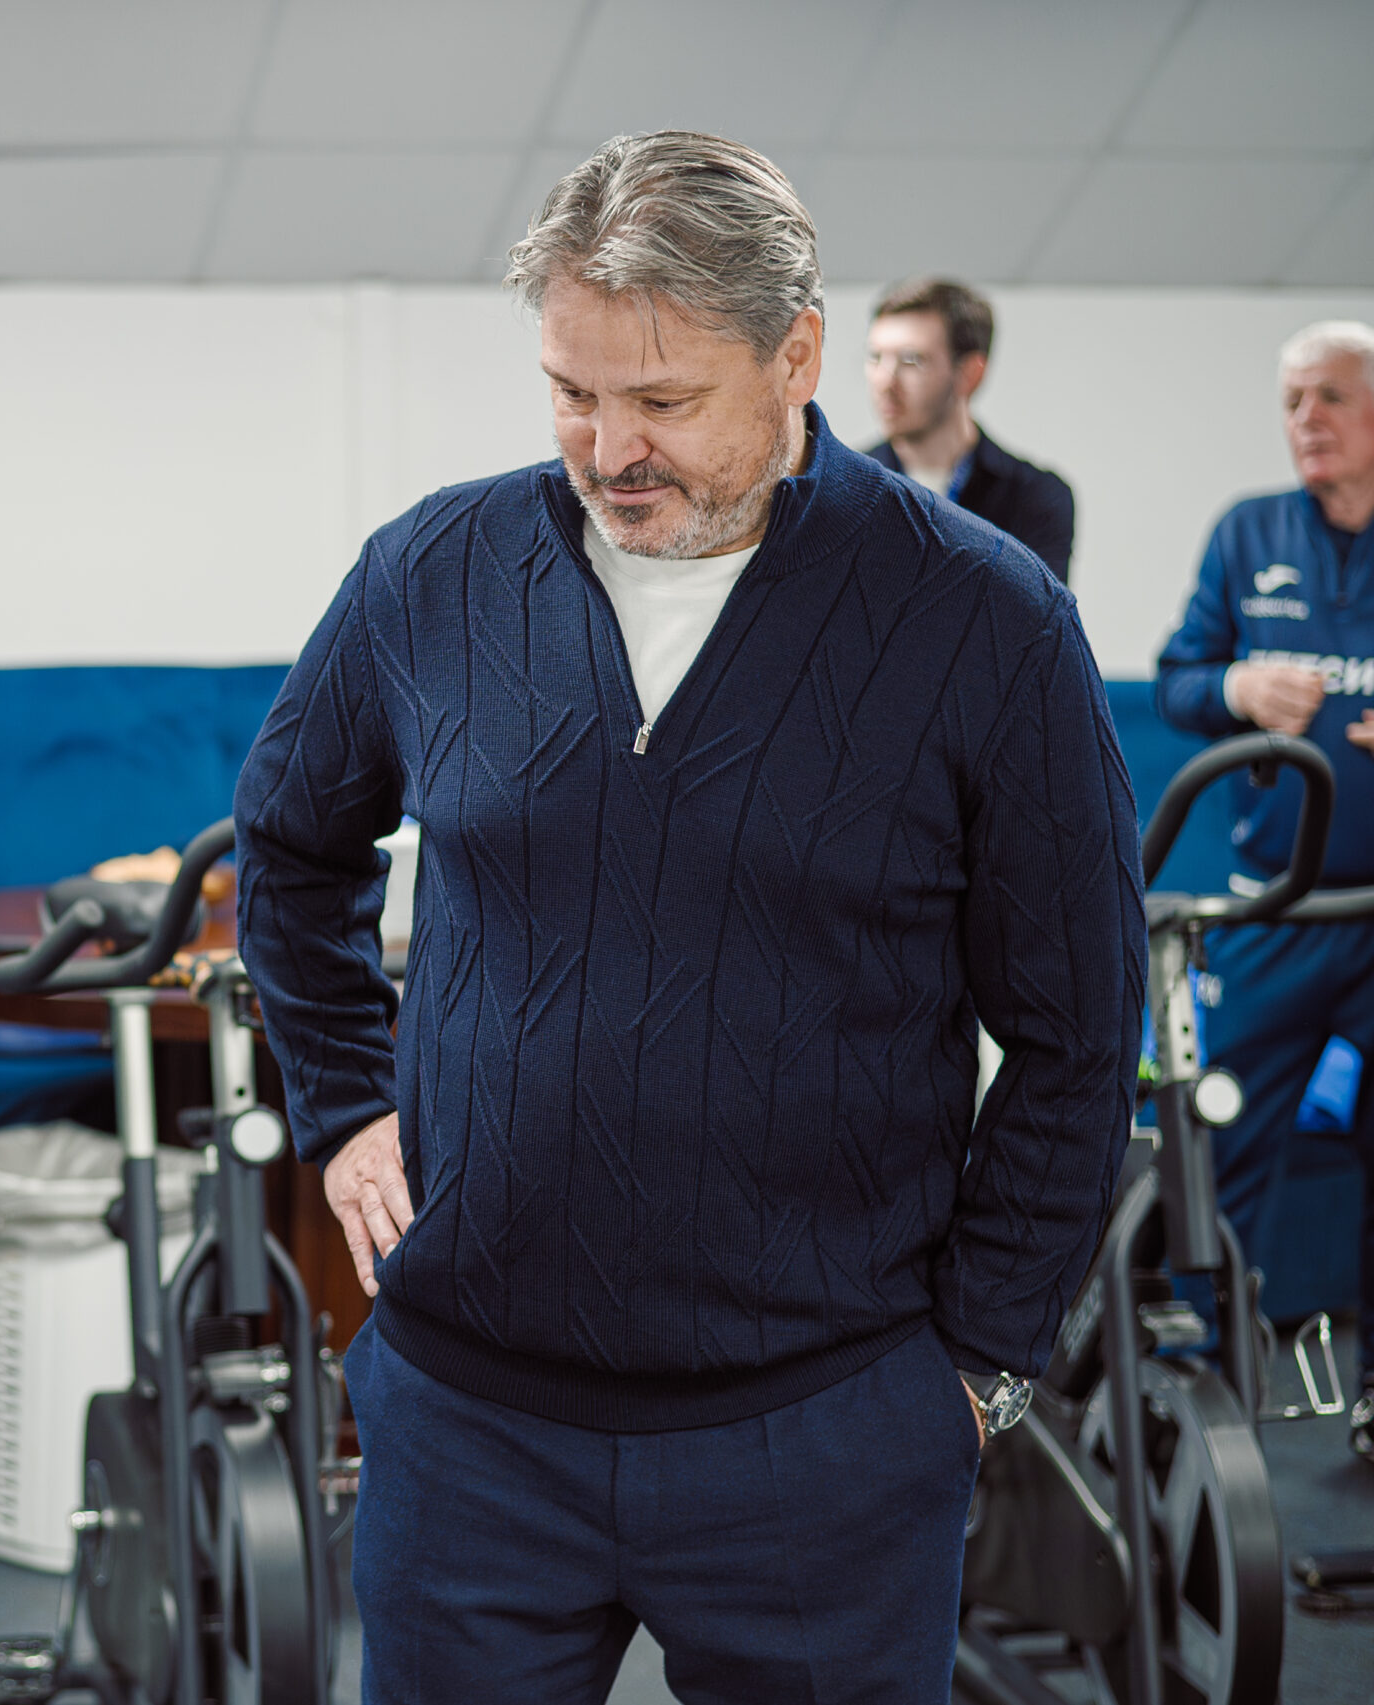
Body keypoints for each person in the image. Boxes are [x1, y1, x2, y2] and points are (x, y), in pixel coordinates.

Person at [235, 131, 1142, 1704]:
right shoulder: (435, 570)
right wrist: (344, 1104)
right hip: (468, 1426)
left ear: (797, 357)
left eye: (662, 400)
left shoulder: (986, 619)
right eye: (571, 394)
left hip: (828, 1437)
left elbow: (1078, 1029)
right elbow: (289, 843)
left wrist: (979, 1368)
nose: (610, 450)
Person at [1155, 318, 1374, 1464]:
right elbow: (1177, 680)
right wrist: (1237, 686)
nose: (1305, 420)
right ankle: (1201, 1391)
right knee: (1217, 1148)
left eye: (1328, 396)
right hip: (1271, 912)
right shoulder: (1248, 532)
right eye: (1290, 400)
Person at [864, 276, 1077, 583]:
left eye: (911, 360)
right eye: (875, 358)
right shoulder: (845, 490)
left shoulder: (1035, 497)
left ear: (969, 374)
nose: (884, 381)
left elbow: (1035, 613)